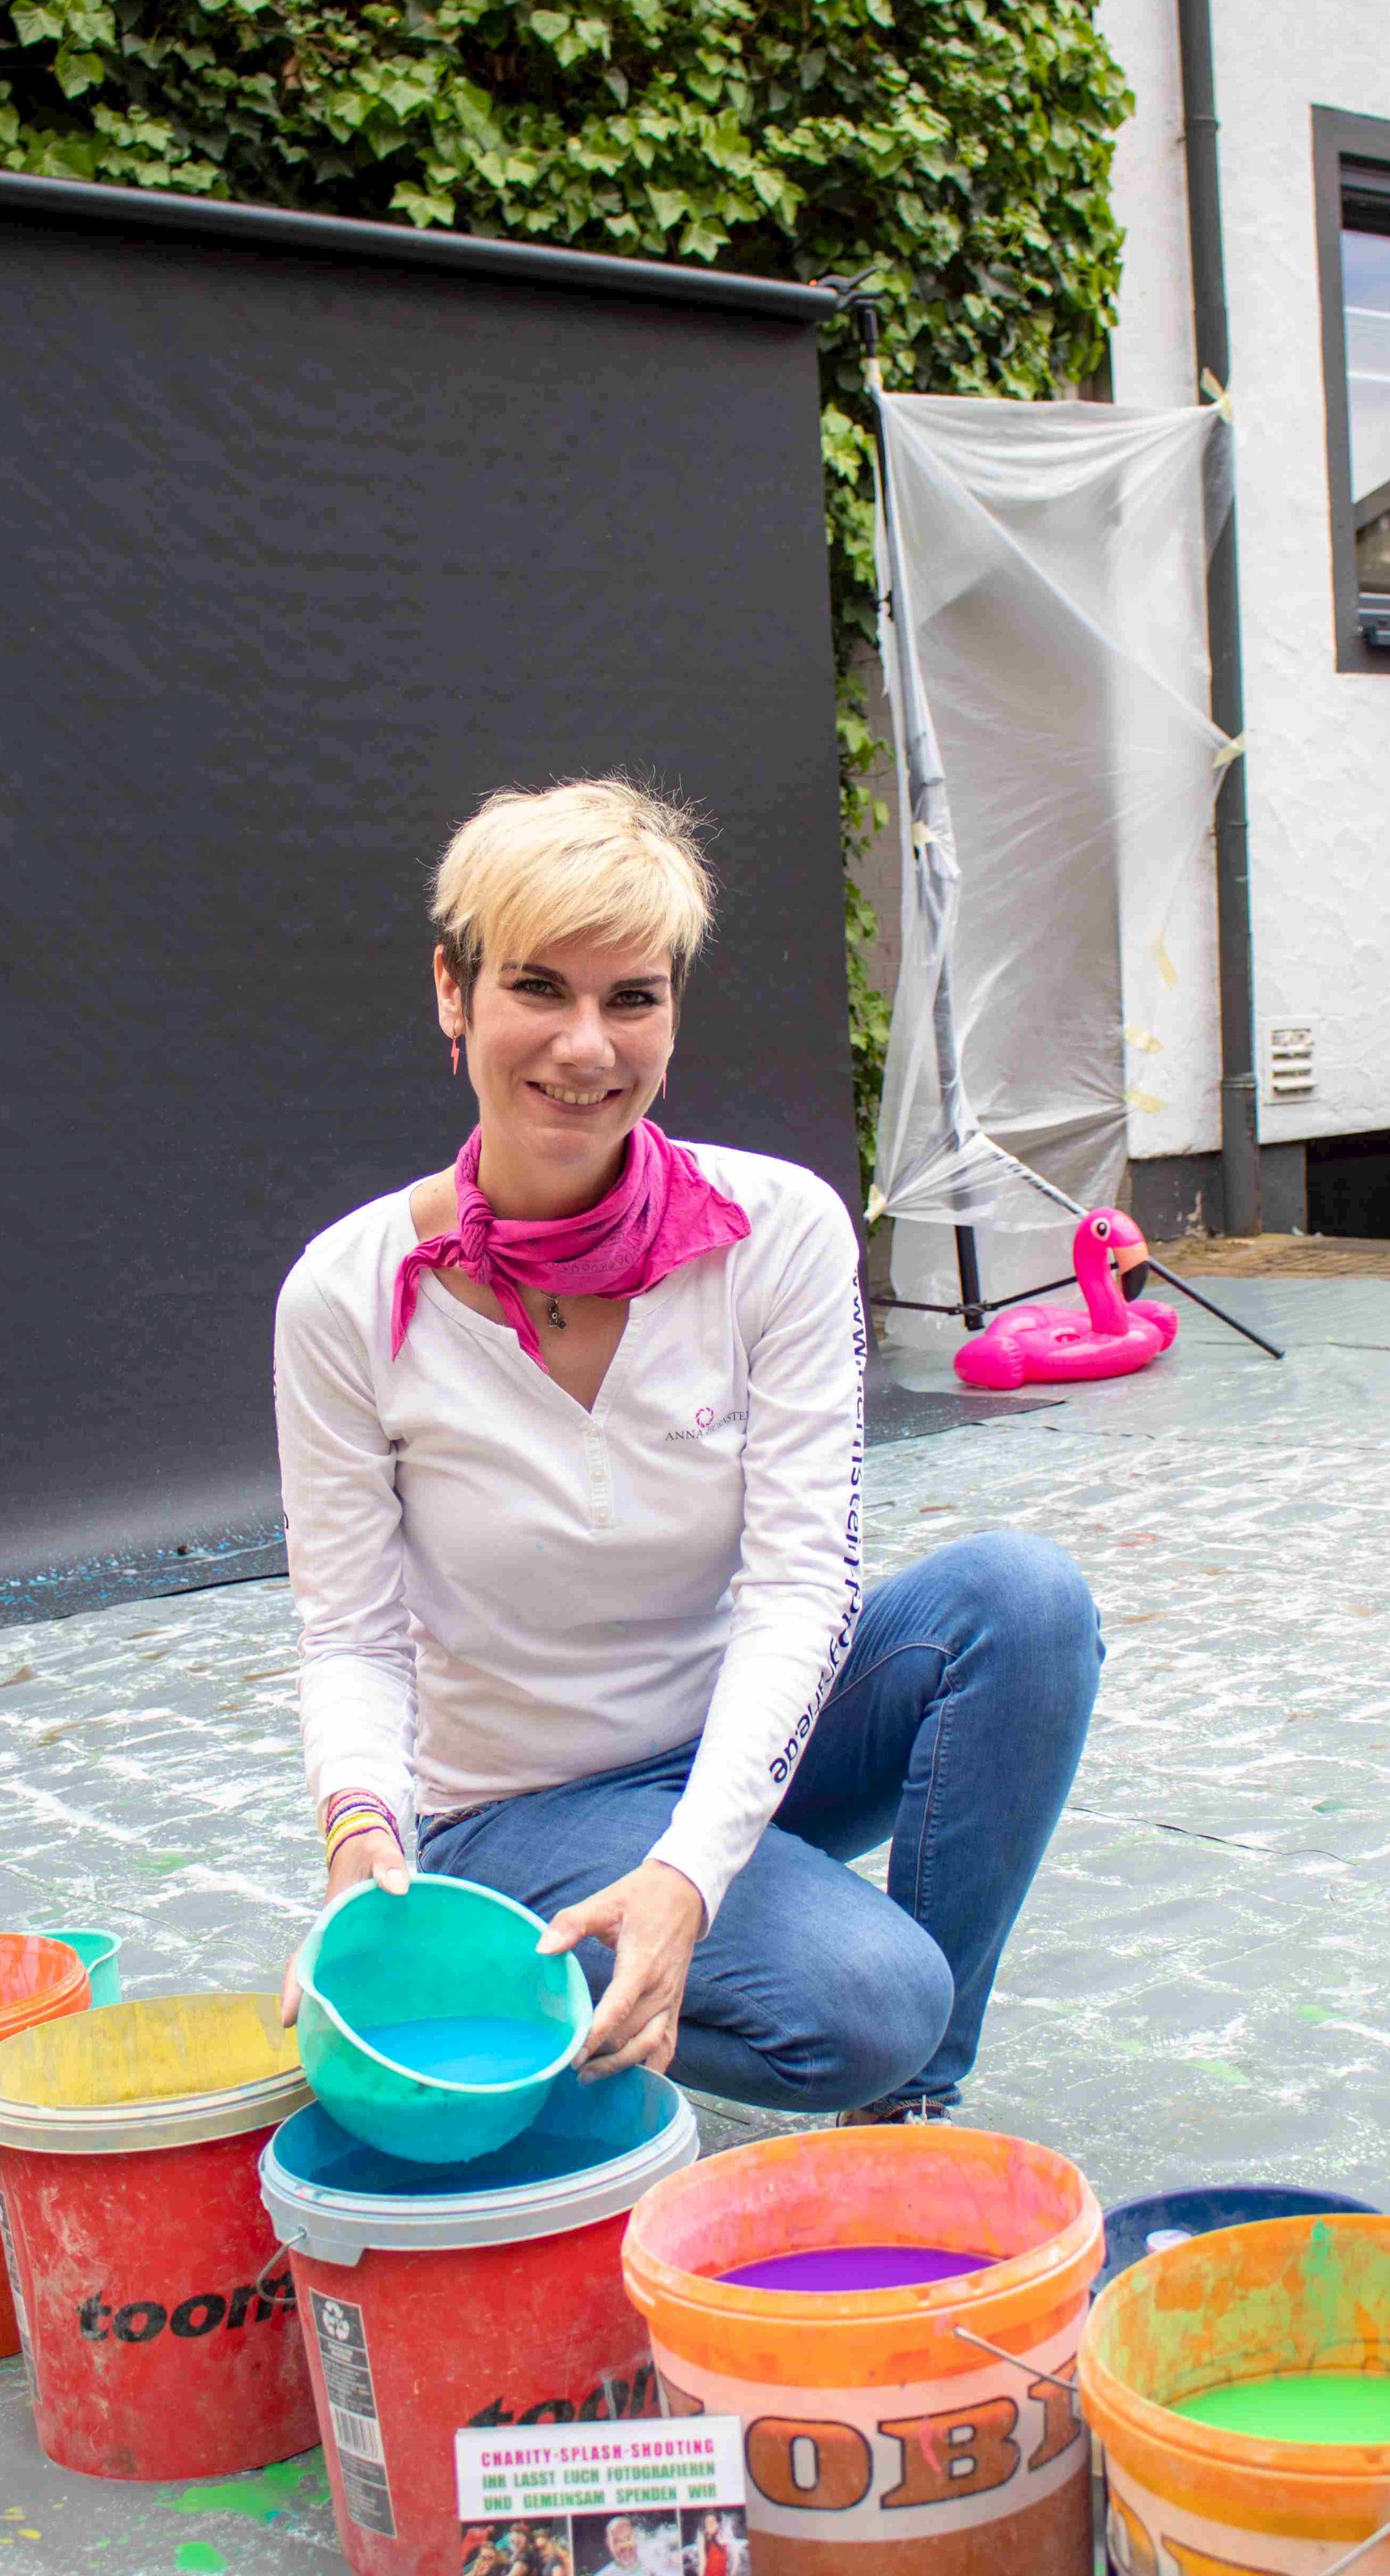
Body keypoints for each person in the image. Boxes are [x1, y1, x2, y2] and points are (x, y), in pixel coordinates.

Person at [275, 780, 1102, 2118]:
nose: (585, 1045)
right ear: (452, 993)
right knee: (868, 2000)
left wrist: (689, 1872)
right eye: (537, 988)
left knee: (1025, 1602)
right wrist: (359, 1826)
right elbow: (353, 1636)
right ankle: (531, 1984)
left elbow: (800, 1586)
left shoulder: (779, 1233)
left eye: (633, 998)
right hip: (520, 1809)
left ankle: (908, 2107)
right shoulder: (347, 1294)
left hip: (740, 1746)